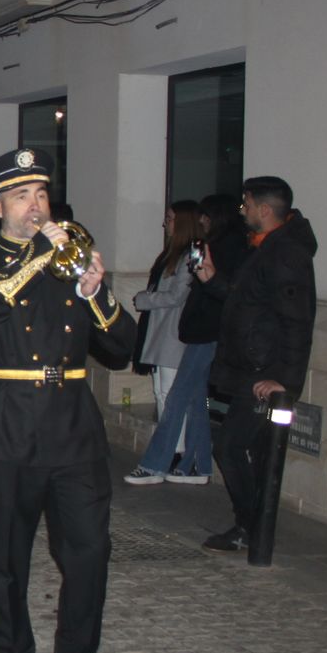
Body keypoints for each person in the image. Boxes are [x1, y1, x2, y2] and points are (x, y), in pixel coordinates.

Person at [0, 147, 136, 653]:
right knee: (7, 558)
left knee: (88, 553)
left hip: (73, 426)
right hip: (10, 425)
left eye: (43, 194)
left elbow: (123, 348)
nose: (37, 206)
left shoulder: (70, 262)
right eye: (24, 195)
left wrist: (95, 291)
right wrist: (33, 259)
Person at [195, 177, 317, 553]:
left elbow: (297, 321)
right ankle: (250, 526)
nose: (242, 210)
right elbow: (249, 301)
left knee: (230, 446)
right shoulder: (265, 248)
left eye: (246, 204)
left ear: (264, 209)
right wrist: (213, 280)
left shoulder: (285, 253)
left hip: (263, 375)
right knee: (244, 449)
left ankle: (251, 526)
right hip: (253, 367)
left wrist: (283, 379)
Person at [155, 194, 249, 485]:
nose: (202, 222)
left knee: (179, 396)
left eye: (205, 217)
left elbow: (220, 292)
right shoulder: (213, 247)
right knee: (191, 399)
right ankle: (194, 464)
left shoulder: (229, 248)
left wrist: (206, 277)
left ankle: (163, 461)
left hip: (207, 332)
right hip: (199, 330)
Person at [125, 199, 201, 485]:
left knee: (171, 395)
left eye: (169, 218)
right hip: (160, 332)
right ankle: (172, 449)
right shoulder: (172, 254)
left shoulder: (190, 255)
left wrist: (145, 300)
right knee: (161, 392)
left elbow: (177, 295)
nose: (165, 223)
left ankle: (175, 452)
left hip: (174, 335)